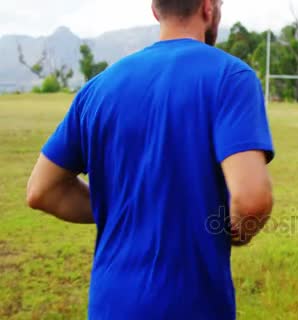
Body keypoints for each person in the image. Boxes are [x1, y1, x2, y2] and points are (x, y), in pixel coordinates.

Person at [26, 0, 274, 319]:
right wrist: (238, 231)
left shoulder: (98, 88)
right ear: (209, 8)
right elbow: (252, 201)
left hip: (110, 305)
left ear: (156, 10)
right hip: (193, 307)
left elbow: (41, 191)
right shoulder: (230, 76)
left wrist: (123, 206)